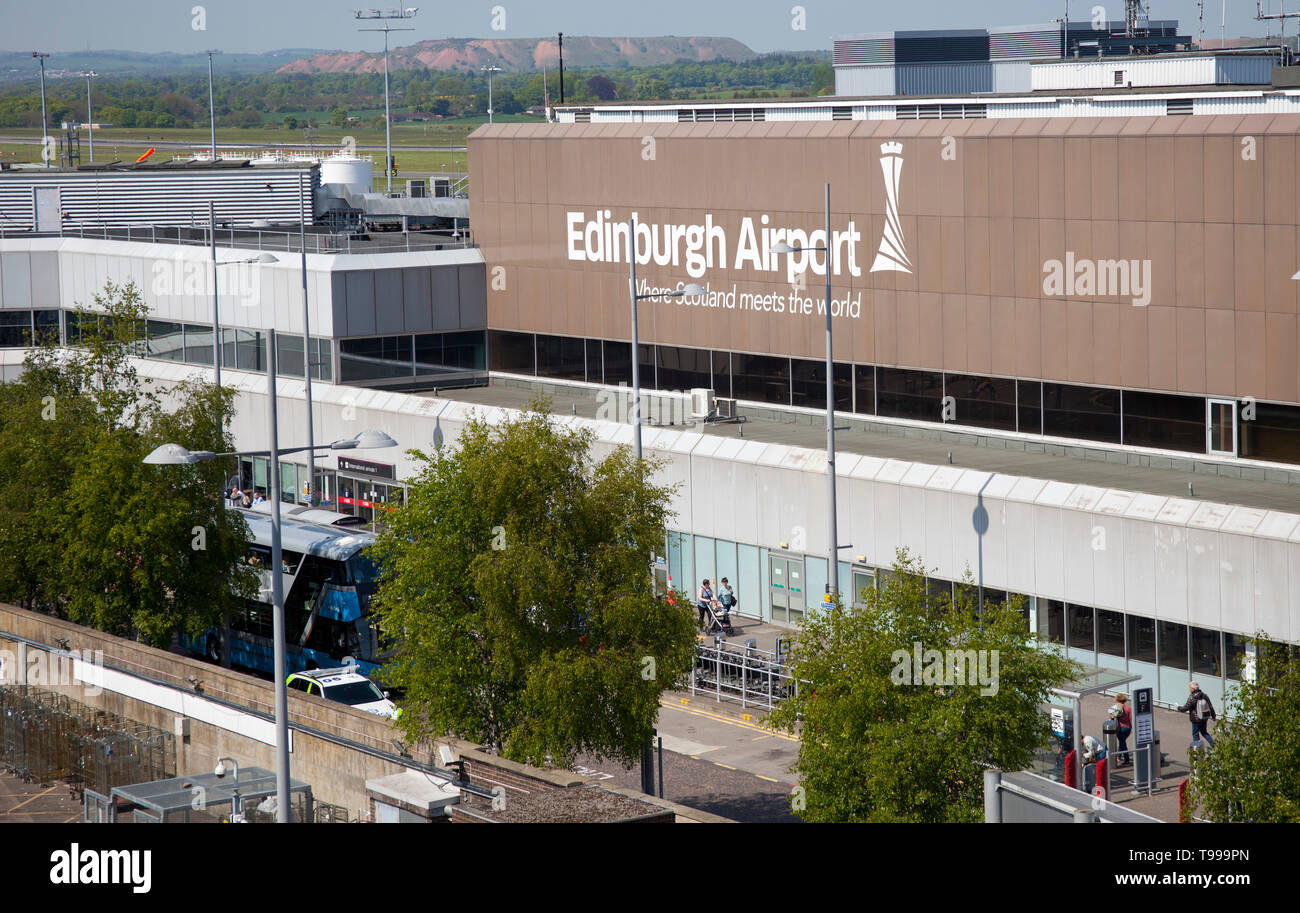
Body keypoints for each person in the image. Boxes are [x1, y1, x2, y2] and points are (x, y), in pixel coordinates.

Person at [1178, 682, 1217, 747]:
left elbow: (1186, 708)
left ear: (1192, 688)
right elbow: (1210, 706)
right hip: (1204, 717)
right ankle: (1214, 745)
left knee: (1195, 734)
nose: (1189, 689)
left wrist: (1178, 707)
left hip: (1196, 719)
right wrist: (1213, 716)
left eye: (1190, 687)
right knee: (1204, 732)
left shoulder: (1192, 697)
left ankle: (1198, 749)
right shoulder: (1204, 695)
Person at [1110, 693, 1132, 765]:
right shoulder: (1128, 709)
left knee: (1123, 743)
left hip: (1120, 728)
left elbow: (1111, 717)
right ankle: (1118, 756)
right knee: (1122, 742)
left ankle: (1127, 759)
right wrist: (1131, 728)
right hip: (1128, 728)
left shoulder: (1116, 708)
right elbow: (1131, 719)